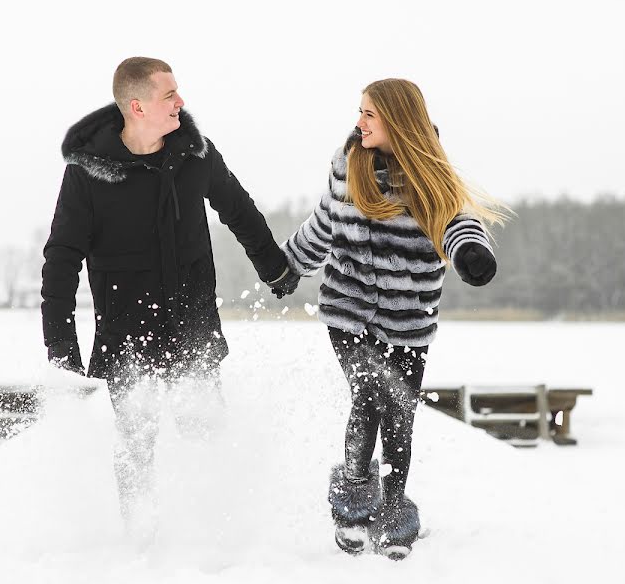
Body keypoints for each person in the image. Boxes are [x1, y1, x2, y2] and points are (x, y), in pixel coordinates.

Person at [41, 57, 295, 534]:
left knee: (205, 430)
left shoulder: (195, 154)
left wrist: (274, 267)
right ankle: (141, 540)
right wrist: (60, 340)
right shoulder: (88, 174)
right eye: (169, 95)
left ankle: (214, 533)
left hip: (192, 322)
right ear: (137, 107)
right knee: (137, 441)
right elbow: (62, 258)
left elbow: (237, 210)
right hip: (126, 330)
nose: (181, 102)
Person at [276, 78, 509, 560]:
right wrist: (288, 265)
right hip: (349, 310)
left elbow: (456, 220)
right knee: (370, 394)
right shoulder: (347, 167)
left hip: (409, 317)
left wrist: (470, 253)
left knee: (399, 412)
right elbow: (324, 224)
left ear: (397, 121)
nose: (359, 122)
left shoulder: (429, 173)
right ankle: (352, 508)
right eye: (359, 111)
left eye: (369, 115)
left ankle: (393, 510)